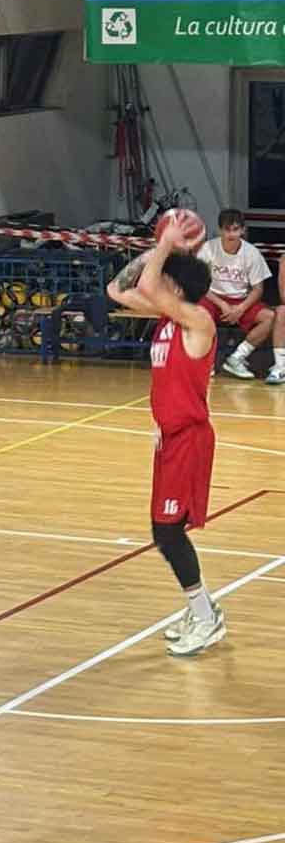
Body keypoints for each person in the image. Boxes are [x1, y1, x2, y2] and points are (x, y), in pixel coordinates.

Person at [110, 222, 225, 658]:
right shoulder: (167, 316)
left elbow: (146, 286)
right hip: (169, 440)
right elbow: (117, 290)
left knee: (167, 531)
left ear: (175, 287)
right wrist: (159, 252)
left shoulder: (199, 320)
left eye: (164, 277)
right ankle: (204, 609)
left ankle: (206, 616)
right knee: (164, 532)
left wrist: (164, 246)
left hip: (189, 438)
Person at [195, 208, 281, 382]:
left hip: (240, 300)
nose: (231, 234)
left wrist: (240, 308)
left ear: (242, 230)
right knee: (198, 313)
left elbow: (258, 289)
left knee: (270, 317)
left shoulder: (252, 253)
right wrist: (222, 304)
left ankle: (237, 358)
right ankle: (205, 362)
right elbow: (199, 285)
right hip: (212, 298)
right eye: (227, 229)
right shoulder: (208, 248)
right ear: (220, 230)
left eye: (235, 229)